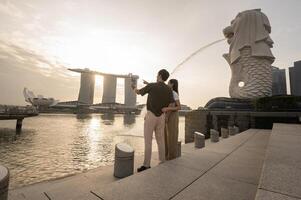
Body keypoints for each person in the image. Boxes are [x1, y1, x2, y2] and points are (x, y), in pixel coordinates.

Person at [132, 69, 174, 172]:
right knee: (161, 141)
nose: (156, 76)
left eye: (157, 75)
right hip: (162, 117)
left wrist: (133, 88)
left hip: (151, 116)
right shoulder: (169, 89)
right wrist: (166, 113)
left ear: (159, 75)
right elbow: (172, 104)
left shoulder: (152, 86)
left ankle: (146, 165)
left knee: (148, 141)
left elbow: (138, 92)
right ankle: (162, 161)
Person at [162, 79, 181, 160]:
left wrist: (167, 109)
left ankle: (172, 156)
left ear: (172, 84)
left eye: (169, 83)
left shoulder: (174, 93)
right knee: (165, 136)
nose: (167, 84)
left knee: (172, 136)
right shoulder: (168, 93)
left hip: (173, 115)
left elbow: (179, 107)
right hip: (167, 115)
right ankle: (167, 155)